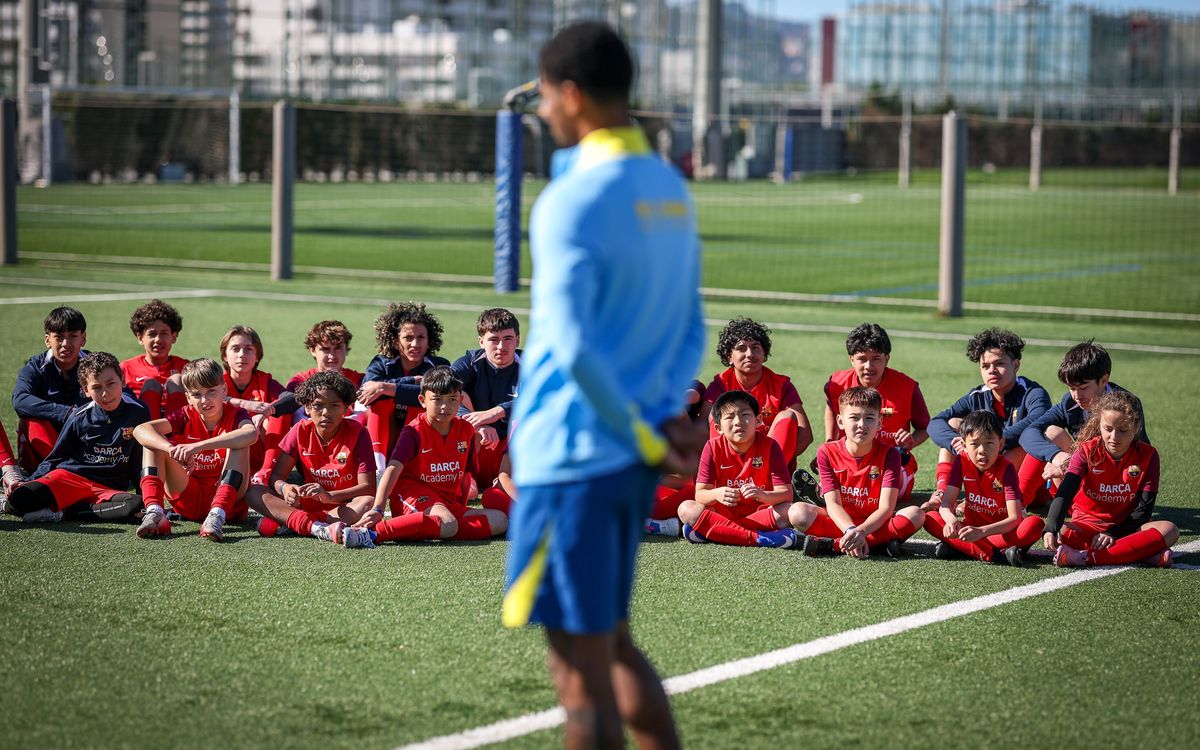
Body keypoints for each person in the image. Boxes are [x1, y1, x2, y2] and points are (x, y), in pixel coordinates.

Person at [502, 21, 705, 750]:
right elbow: (691, 329)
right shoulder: (669, 187)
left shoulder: (570, 200)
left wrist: (644, 427)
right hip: (627, 458)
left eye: (545, 95)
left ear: (572, 94)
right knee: (613, 644)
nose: (543, 111)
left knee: (579, 678)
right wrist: (660, 421)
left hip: (574, 458)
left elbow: (576, 348)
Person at [351, 367, 507, 545]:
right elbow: (392, 469)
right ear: (422, 400)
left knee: (500, 520)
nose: (444, 406)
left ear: (461, 400)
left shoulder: (466, 430)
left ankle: (435, 528)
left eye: (452, 399)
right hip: (412, 495)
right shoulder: (414, 431)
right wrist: (378, 508)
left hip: (446, 501)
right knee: (448, 523)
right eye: (437, 399)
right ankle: (370, 533)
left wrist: (461, 506)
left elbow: (465, 475)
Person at [1, 352, 145, 524]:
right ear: (85, 390)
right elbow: (56, 457)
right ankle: (12, 505)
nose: (105, 393)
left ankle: (61, 514)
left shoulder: (138, 412)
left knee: (136, 505)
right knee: (21, 497)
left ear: (122, 380)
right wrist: (30, 481)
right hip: (70, 478)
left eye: (111, 383)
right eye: (97, 387)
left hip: (108, 488)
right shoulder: (79, 416)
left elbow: (139, 460)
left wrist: (148, 499)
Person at [1043, 391, 1176, 568]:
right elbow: (1065, 492)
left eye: (1123, 430)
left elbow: (1143, 511)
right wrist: (1050, 527)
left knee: (1170, 530)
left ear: (1136, 428)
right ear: (1099, 424)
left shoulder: (1148, 455)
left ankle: (1084, 558)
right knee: (1063, 532)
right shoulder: (1086, 451)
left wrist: (1111, 533)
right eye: (1108, 429)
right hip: (1086, 526)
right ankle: (1138, 553)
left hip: (1126, 528)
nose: (1114, 437)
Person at [791, 386, 924, 559]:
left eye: (869, 418)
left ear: (879, 422)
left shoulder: (890, 454)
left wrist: (862, 531)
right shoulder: (826, 451)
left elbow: (886, 508)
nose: (862, 425)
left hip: (875, 522)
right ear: (840, 421)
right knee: (797, 512)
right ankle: (880, 544)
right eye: (854, 417)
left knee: (916, 514)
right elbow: (833, 504)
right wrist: (851, 529)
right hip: (842, 522)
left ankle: (833, 545)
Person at [133, 358, 258, 541]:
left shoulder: (235, 414)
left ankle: (216, 515)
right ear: (188, 398)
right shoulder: (185, 414)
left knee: (239, 442)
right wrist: (171, 449)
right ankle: (154, 512)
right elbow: (140, 430)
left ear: (224, 390)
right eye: (197, 395)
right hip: (190, 498)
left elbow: (251, 434)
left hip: (229, 505)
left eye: (211, 391)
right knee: (152, 443)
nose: (205, 400)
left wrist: (198, 446)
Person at [927, 328, 1050, 512]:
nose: (992, 371)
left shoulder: (1033, 393)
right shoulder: (977, 395)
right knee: (954, 424)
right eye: (985, 366)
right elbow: (936, 422)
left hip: (1034, 486)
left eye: (999, 363)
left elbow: (1036, 423)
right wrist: (959, 444)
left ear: (1016, 365)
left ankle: (1017, 501)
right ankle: (943, 493)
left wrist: (992, 442)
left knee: (1033, 438)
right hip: (990, 472)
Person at [247, 371, 375, 547]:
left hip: (341, 508)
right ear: (307, 408)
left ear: (346, 408)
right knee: (253, 492)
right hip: (304, 506)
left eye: (334, 406)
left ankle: (296, 523)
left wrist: (329, 496)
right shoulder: (299, 430)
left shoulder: (359, 433)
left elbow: (368, 488)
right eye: (318, 406)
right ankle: (316, 527)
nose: (326, 413)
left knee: (367, 503)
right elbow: (275, 478)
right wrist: (285, 489)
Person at [1017, 340, 1147, 507]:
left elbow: (1141, 457)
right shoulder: (1069, 403)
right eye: (1071, 388)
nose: (1077, 395)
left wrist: (1071, 466)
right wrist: (1057, 456)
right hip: (1076, 482)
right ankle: (1017, 505)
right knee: (1052, 433)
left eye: (1083, 387)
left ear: (1104, 380)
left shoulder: (1126, 406)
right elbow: (1029, 433)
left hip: (1113, 492)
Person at [676, 391, 798, 548]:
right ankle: (759, 538)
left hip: (759, 514)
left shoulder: (770, 446)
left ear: (758, 420)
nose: (738, 422)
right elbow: (700, 494)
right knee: (686, 508)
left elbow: (786, 494)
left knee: (790, 511)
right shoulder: (712, 447)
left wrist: (762, 495)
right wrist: (717, 493)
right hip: (723, 513)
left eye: (745, 414)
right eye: (729, 417)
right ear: (719, 428)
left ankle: (716, 532)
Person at [823, 323, 929, 501]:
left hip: (893, 462)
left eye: (876, 358)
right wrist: (829, 442)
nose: (869, 366)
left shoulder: (907, 387)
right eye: (862, 358)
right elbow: (831, 409)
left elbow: (925, 428)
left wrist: (910, 442)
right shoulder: (837, 383)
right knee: (840, 479)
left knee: (880, 488)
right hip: (850, 461)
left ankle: (841, 493)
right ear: (851, 359)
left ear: (887, 358)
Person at [923, 410, 1043, 566]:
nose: (982, 450)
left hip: (998, 533)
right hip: (969, 530)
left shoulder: (1007, 469)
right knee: (929, 517)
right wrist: (951, 521)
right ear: (964, 445)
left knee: (1034, 525)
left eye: (989, 443)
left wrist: (982, 532)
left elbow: (1015, 519)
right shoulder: (961, 461)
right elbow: (946, 504)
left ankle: (963, 548)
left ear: (1000, 444)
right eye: (974, 444)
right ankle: (996, 554)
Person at [701, 317, 812, 468]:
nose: (749, 354)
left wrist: (770, 464)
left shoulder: (781, 385)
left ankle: (771, 478)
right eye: (741, 348)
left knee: (787, 416)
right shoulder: (720, 384)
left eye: (755, 348)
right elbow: (703, 428)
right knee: (714, 417)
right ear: (729, 357)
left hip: (768, 466)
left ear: (764, 354)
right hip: (730, 467)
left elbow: (805, 434)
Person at [359, 302, 451, 473]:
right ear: (395, 341)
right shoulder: (381, 362)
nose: (415, 344)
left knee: (422, 403)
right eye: (408, 338)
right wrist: (411, 381)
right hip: (387, 434)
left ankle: (409, 465)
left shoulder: (439, 365)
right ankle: (377, 469)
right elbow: (366, 394)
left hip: (424, 439)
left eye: (421, 337)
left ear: (429, 341)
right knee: (380, 405)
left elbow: (437, 396)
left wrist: (384, 386)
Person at [12, 306, 91, 471]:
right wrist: (67, 413)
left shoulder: (95, 365)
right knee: (31, 419)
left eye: (73, 336)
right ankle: (63, 469)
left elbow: (121, 396)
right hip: (47, 446)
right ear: (48, 340)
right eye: (59, 337)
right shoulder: (36, 366)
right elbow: (20, 400)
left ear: (83, 339)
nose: (66, 344)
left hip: (85, 439)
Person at [450, 308, 521, 492]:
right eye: (493, 339)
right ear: (481, 341)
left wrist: (497, 411)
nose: (501, 347)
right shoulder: (469, 363)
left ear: (518, 340)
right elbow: (438, 392)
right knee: (457, 394)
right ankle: (467, 475)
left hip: (513, 450)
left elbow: (544, 399)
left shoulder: (531, 364)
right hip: (478, 443)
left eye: (507, 339)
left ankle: (508, 480)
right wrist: (478, 423)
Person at [218, 325, 292, 485]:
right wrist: (243, 403)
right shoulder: (218, 382)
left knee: (279, 414)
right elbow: (203, 398)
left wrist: (265, 412)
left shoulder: (265, 381)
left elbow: (291, 399)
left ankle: (265, 472)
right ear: (224, 355)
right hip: (223, 453)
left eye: (248, 349)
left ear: (257, 356)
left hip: (259, 453)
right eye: (235, 349)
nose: (242, 355)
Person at [120, 299, 189, 420]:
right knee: (151, 384)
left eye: (164, 333)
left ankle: (175, 435)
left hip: (178, 427)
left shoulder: (185, 367)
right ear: (140, 338)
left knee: (177, 380)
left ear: (174, 336)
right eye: (152, 334)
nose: (158, 339)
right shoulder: (126, 368)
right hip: (141, 427)